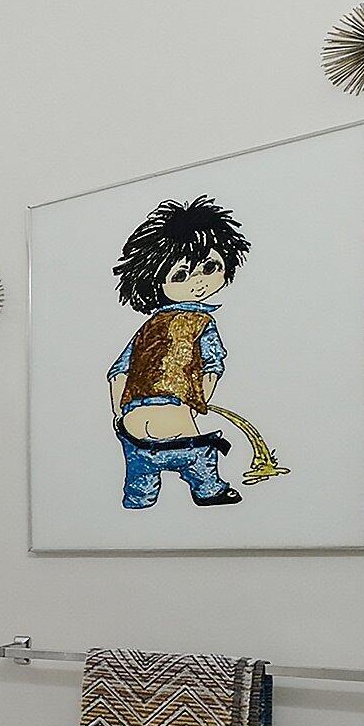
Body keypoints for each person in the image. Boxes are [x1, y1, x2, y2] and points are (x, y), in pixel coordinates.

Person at [106, 196, 250, 510]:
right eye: (181, 275)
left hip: (132, 424)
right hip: (172, 414)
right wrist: (200, 400)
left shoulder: (148, 327)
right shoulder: (201, 321)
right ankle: (209, 490)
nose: (198, 282)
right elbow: (212, 367)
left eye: (209, 267)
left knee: (140, 478)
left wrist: (120, 412)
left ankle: (138, 499)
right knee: (199, 458)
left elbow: (119, 374)